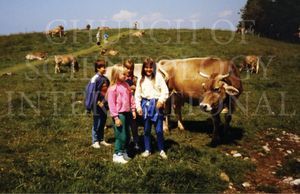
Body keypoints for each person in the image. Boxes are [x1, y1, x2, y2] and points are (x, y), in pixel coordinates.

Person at [135, 58, 169, 159]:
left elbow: (165, 91)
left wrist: (161, 100)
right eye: (146, 67)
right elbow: (137, 94)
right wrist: (138, 106)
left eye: (150, 67)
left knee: (159, 129)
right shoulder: (141, 79)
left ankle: (161, 149)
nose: (148, 69)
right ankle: (147, 149)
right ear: (143, 68)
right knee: (146, 129)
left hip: (156, 105)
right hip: (145, 105)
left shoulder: (158, 77)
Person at [107, 64, 136, 164]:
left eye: (126, 74)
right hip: (119, 115)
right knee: (121, 135)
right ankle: (117, 154)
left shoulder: (126, 85)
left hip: (127, 113)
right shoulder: (112, 89)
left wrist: (133, 109)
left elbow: (131, 98)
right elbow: (111, 104)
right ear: (116, 74)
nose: (126, 76)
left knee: (127, 135)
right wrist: (116, 117)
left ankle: (123, 152)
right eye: (123, 74)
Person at [85, 60, 111, 148]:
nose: (105, 69)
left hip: (104, 104)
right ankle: (94, 141)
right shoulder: (94, 79)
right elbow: (91, 92)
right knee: (97, 121)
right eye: (103, 67)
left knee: (103, 121)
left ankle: (101, 139)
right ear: (97, 68)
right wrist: (96, 102)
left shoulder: (105, 79)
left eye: (105, 67)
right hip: (96, 105)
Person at [123, 59, 139, 150]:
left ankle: (136, 142)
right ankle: (126, 142)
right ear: (123, 68)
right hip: (123, 105)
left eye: (131, 68)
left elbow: (139, 89)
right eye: (127, 68)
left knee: (134, 124)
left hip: (132, 105)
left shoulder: (135, 79)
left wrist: (135, 88)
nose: (129, 70)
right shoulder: (121, 78)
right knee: (124, 125)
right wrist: (129, 88)